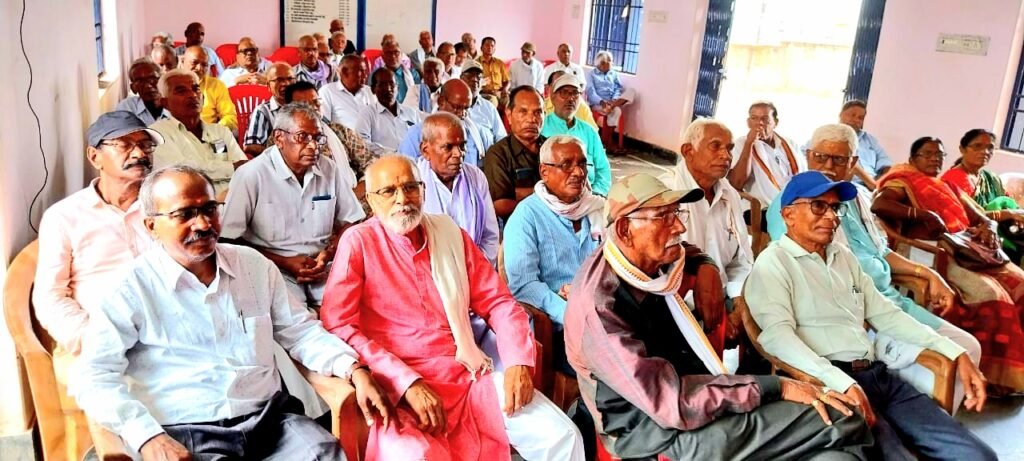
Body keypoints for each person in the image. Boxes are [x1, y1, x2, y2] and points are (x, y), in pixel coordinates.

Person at [71, 165, 392, 459]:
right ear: (152, 225)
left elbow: (301, 332)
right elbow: (93, 375)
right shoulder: (130, 288)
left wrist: (353, 369)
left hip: (271, 425)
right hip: (186, 434)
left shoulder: (252, 265)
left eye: (209, 209)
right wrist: (147, 436)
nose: (202, 224)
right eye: (185, 214)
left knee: (324, 454)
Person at [566, 173, 874, 460]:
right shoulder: (600, 308)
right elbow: (669, 402)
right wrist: (778, 386)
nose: (679, 227)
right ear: (624, 229)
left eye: (677, 213)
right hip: (658, 433)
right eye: (665, 217)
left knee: (839, 452)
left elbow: (688, 250)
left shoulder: (645, 259)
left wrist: (707, 266)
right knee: (844, 418)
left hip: (698, 398)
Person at [319, 155, 584, 460]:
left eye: (410, 187)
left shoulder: (447, 233)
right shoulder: (359, 242)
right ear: (370, 200)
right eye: (388, 191)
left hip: (468, 378)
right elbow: (338, 325)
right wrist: (405, 383)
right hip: (395, 390)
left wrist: (517, 362)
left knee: (561, 436)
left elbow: (498, 302)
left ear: (423, 190)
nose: (402, 199)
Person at [748, 171, 996, 460]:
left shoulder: (842, 256)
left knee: (978, 456)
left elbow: (886, 314)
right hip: (828, 384)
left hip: (877, 376)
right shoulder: (774, 263)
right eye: (818, 206)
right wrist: (839, 382)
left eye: (835, 207)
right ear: (788, 215)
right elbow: (777, 338)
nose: (831, 216)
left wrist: (953, 351)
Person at [764, 124, 983, 412]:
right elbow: (806, 272)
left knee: (966, 347)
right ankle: (908, 418)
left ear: (854, 163)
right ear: (808, 156)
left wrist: (926, 272)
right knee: (941, 364)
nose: (828, 166)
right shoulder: (792, 205)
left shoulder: (855, 198)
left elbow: (880, 251)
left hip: (888, 302)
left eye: (839, 159)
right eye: (820, 157)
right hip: (855, 316)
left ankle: (921, 420)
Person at [873, 136, 1024, 392]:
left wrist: (988, 227)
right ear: (913, 159)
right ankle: (991, 377)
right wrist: (924, 214)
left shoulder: (947, 186)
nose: (935, 159)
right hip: (934, 252)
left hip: (969, 249)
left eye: (939, 154)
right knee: (992, 296)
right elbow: (879, 204)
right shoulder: (903, 181)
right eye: (927, 154)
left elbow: (980, 216)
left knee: (1020, 284)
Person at [34, 112, 161, 381]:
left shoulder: (166, 206)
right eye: (125, 145)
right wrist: (91, 339)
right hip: (100, 342)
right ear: (94, 157)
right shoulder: (65, 217)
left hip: (167, 334)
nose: (139, 153)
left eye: (145, 145)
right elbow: (49, 296)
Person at [223, 103, 364, 308]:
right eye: (302, 137)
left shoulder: (328, 168)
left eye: (317, 138)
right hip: (272, 267)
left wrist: (329, 252)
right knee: (294, 319)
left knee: (355, 305)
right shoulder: (251, 175)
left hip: (321, 265)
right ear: (279, 138)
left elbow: (352, 220)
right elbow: (229, 240)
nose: (313, 146)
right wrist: (284, 262)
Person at [504, 135, 603, 373]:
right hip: (565, 330)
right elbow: (524, 285)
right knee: (621, 368)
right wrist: (572, 315)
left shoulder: (598, 209)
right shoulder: (527, 216)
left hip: (606, 315)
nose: (578, 172)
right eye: (566, 164)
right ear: (544, 172)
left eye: (582, 163)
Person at [670, 119, 751, 313]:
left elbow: (741, 261)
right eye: (715, 146)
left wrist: (738, 302)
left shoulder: (729, 195)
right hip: (674, 302)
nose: (726, 155)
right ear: (688, 151)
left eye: (729, 148)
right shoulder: (667, 192)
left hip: (722, 298)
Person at [417, 112, 499, 263]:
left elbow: (490, 235)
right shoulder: (413, 182)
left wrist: (477, 267)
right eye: (448, 147)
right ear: (426, 151)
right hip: (430, 270)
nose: (458, 154)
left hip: (476, 267)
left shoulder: (475, 176)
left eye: (462, 146)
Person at [150, 69, 246, 197]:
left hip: (236, 198)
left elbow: (244, 169)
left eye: (196, 89)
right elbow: (182, 173)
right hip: (194, 203)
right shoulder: (158, 133)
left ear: (203, 98)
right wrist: (231, 167)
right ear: (165, 103)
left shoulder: (220, 131)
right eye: (181, 91)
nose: (193, 95)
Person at [942, 128, 1024, 263]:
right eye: (977, 146)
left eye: (990, 148)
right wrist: (1009, 214)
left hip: (1004, 230)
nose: (985, 152)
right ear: (962, 149)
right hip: (976, 237)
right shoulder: (953, 180)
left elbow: (1007, 201)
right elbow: (968, 218)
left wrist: (1016, 218)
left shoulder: (990, 178)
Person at [287, 82, 369, 187]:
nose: (314, 108)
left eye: (316, 102)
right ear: (290, 110)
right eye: (305, 105)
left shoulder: (340, 131)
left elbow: (370, 163)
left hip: (352, 191)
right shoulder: (284, 138)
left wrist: (358, 190)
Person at [540, 74, 611, 195]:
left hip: (589, 195)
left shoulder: (589, 131)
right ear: (552, 97)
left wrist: (597, 194)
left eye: (575, 93)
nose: (570, 98)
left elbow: (603, 170)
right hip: (552, 196)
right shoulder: (542, 128)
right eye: (564, 93)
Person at [484, 86, 547, 219]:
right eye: (523, 112)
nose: (531, 119)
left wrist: (521, 193)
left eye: (537, 112)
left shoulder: (553, 148)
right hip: (519, 225)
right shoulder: (498, 154)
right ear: (509, 115)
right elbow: (501, 206)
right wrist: (548, 193)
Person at [728, 101, 803, 208]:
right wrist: (749, 144)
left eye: (765, 119)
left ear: (775, 122)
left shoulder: (790, 144)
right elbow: (737, 183)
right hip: (762, 208)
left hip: (793, 204)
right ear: (748, 123)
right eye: (754, 118)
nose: (760, 123)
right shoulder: (741, 143)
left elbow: (802, 176)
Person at [399, 79, 487, 167]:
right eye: (457, 107)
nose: (462, 114)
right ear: (441, 101)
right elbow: (405, 169)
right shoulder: (417, 134)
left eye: (466, 109)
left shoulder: (472, 134)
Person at [357, 68, 423, 155]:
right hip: (385, 161)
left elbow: (423, 139)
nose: (388, 89)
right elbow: (362, 143)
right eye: (382, 85)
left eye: (392, 84)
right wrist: (393, 154)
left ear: (397, 87)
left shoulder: (411, 113)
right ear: (373, 89)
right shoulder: (367, 114)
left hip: (414, 160)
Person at [242, 62, 295, 157]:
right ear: (268, 86)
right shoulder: (263, 111)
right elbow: (250, 146)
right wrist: (282, 154)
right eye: (279, 80)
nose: (286, 84)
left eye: (290, 79)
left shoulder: (303, 107)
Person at [182, 45, 238, 131]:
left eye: (204, 65)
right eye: (194, 62)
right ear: (183, 61)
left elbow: (230, 116)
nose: (199, 68)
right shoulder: (171, 83)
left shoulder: (216, 85)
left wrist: (215, 130)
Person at [839, 100, 893, 188]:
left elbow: (886, 163)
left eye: (860, 118)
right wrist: (872, 184)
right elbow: (852, 166)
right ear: (841, 115)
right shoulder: (829, 137)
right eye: (852, 115)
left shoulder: (870, 139)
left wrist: (882, 181)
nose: (856, 120)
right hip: (848, 186)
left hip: (873, 186)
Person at [320, 54, 375, 129]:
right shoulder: (327, 92)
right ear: (344, 72)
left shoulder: (368, 91)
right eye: (361, 71)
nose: (365, 76)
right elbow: (325, 126)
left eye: (365, 71)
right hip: (342, 136)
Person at [461, 60, 507, 148]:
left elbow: (501, 138)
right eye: (470, 76)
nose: (474, 79)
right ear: (461, 78)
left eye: (478, 77)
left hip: (488, 156)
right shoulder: (453, 105)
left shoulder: (489, 107)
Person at [586, 51, 635, 130]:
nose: (612, 63)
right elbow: (590, 92)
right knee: (617, 111)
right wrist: (602, 102)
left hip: (613, 101)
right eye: (610, 61)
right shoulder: (591, 74)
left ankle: (611, 106)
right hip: (599, 104)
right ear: (602, 63)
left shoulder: (613, 73)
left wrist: (614, 99)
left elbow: (618, 88)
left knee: (631, 91)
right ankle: (610, 109)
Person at [115, 58, 171, 125]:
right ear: (133, 88)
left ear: (162, 80)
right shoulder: (127, 107)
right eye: (140, 81)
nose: (148, 86)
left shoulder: (176, 104)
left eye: (152, 78)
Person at [380, 39, 419, 107]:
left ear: (401, 55)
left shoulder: (413, 74)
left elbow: (419, 97)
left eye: (396, 52)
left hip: (410, 111)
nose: (393, 56)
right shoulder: (377, 76)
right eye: (389, 53)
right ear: (383, 57)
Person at [477, 37, 510, 108]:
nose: (490, 47)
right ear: (481, 48)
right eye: (487, 45)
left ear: (494, 49)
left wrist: (504, 89)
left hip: (499, 92)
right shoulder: (476, 63)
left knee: (511, 100)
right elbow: (475, 83)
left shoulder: (500, 63)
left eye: (492, 46)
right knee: (493, 100)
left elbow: (507, 81)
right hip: (485, 93)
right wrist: (489, 92)